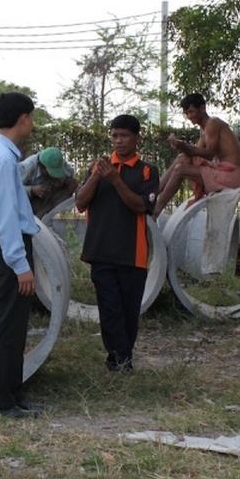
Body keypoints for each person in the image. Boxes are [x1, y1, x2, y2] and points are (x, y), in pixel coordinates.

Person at [75, 114, 159, 372]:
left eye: (124, 136)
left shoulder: (147, 171)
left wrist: (115, 180)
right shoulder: (97, 168)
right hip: (100, 251)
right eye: (114, 136)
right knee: (109, 308)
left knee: (128, 310)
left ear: (137, 138)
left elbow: (141, 206)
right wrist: (97, 177)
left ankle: (118, 356)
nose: (118, 141)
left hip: (133, 253)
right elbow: (80, 202)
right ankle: (123, 358)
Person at [0, 92, 41, 419]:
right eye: (32, 117)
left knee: (15, 326)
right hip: (7, 246)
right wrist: (20, 264)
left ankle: (12, 395)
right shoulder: (1, 159)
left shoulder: (1, 154)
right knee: (6, 325)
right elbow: (4, 217)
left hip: (7, 244)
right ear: (23, 118)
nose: (33, 123)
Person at [153, 93, 240, 216]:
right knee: (182, 159)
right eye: (186, 114)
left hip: (229, 176)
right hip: (221, 171)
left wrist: (183, 146)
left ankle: (155, 211)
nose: (189, 116)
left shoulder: (213, 123)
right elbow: (193, 154)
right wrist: (180, 145)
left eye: (191, 112)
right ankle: (153, 194)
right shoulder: (203, 129)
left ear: (202, 109)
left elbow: (209, 154)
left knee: (180, 170)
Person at [18, 147, 78, 217]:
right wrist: (32, 190)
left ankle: (48, 217)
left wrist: (60, 178)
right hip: (26, 204)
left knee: (72, 185)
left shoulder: (57, 160)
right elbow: (10, 189)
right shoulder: (26, 168)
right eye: (50, 172)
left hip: (48, 201)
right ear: (39, 165)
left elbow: (69, 173)